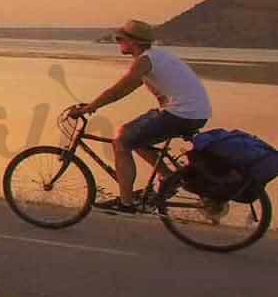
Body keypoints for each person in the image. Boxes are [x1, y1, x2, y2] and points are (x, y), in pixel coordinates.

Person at [68, 19, 211, 214]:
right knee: (137, 137)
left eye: (120, 38)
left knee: (122, 140)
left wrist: (90, 107)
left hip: (181, 113)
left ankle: (126, 203)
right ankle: (168, 177)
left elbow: (120, 89)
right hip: (194, 113)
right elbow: (139, 89)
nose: (118, 42)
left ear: (133, 42)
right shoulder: (156, 58)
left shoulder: (145, 60)